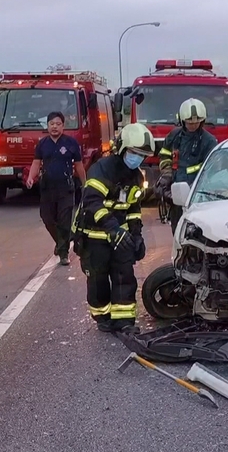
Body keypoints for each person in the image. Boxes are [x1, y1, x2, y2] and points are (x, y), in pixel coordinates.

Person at [73, 122, 152, 333]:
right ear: (123, 148)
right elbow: (92, 202)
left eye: (142, 155)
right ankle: (103, 318)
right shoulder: (101, 169)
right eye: (134, 153)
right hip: (95, 236)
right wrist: (112, 228)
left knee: (124, 276)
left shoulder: (136, 176)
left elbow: (133, 208)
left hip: (120, 236)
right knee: (98, 281)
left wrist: (136, 235)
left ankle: (124, 321)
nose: (138, 158)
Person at [26, 111, 86, 266]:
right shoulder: (42, 144)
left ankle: (64, 253)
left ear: (63, 126)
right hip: (47, 188)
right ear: (47, 126)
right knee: (47, 218)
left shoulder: (71, 143)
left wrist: (85, 183)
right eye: (51, 124)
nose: (54, 127)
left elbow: (79, 165)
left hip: (66, 188)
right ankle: (60, 242)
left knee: (65, 221)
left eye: (58, 124)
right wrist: (31, 178)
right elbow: (36, 163)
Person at [155, 98, 219, 234]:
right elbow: (165, 156)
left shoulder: (209, 141)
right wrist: (166, 176)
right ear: (182, 121)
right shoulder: (174, 136)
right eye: (189, 123)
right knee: (178, 230)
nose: (193, 126)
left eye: (196, 122)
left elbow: (211, 169)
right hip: (176, 195)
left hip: (197, 197)